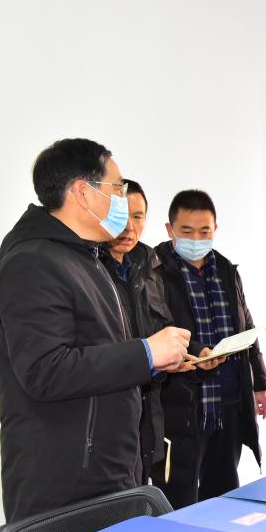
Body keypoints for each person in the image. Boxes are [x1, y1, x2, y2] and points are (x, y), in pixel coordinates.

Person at [0, 138, 192, 522]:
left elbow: (99, 354)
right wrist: (145, 353)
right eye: (117, 187)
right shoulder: (31, 263)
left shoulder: (88, 259)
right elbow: (46, 370)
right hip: (66, 485)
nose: (123, 199)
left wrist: (155, 361)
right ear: (83, 192)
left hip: (110, 471)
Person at [152, 190, 266, 508]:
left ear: (215, 229)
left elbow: (246, 325)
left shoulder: (226, 270)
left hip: (228, 400)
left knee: (223, 494)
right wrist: (197, 351)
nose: (196, 239)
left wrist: (259, 383)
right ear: (170, 229)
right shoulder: (155, 272)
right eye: (187, 230)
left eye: (204, 231)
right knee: (179, 498)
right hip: (182, 405)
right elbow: (156, 328)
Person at [100, 178, 171, 484]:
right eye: (121, 216)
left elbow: (160, 328)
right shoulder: (92, 270)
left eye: (138, 216)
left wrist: (189, 353)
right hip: (109, 420)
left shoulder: (149, 267)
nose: (129, 227)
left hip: (147, 415)